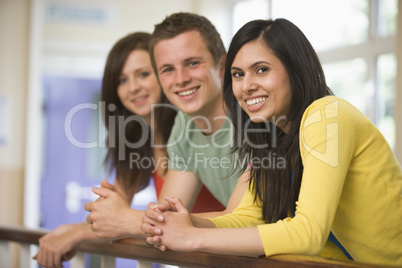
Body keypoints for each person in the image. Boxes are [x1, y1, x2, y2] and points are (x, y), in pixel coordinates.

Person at [141, 18, 402, 266]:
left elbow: (308, 234)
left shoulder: (327, 115)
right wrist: (183, 224)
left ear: (294, 68)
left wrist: (192, 238)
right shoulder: (271, 136)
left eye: (262, 70)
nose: (247, 86)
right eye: (238, 74)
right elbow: (246, 219)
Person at [33, 31, 223, 268]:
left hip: (231, 252)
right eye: (121, 80)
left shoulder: (192, 131)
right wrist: (70, 230)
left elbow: (161, 222)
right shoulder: (137, 143)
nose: (132, 87)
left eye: (143, 74)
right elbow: (117, 217)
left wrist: (80, 233)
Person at [84, 12, 250, 240]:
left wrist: (128, 219)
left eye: (192, 63)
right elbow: (167, 214)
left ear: (223, 65)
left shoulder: (253, 113)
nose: (180, 79)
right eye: (168, 69)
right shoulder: (184, 123)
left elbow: (243, 220)